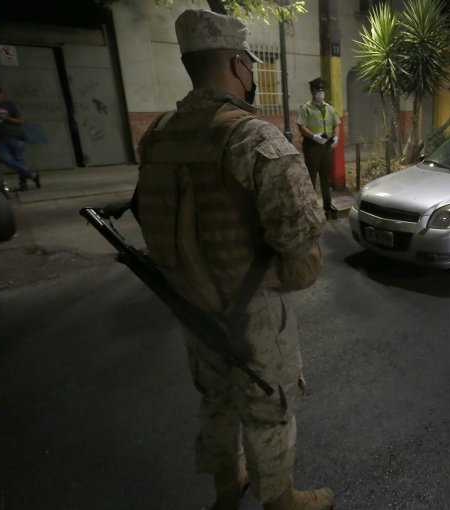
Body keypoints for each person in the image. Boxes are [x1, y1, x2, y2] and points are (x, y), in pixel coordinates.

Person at [132, 9, 331, 510]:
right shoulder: (254, 138)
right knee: (269, 403)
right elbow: (301, 238)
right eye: (250, 64)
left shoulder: (158, 135)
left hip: (191, 305)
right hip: (252, 307)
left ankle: (227, 486)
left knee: (216, 399)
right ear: (240, 64)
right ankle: (280, 498)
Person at [0, 81, 40, 191]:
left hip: (16, 136)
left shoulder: (9, 104)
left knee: (19, 160)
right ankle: (32, 175)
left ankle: (23, 184)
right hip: (1, 139)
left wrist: (6, 119)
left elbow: (20, 121)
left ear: (1, 94)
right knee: (5, 159)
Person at [296, 77, 340, 219]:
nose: (321, 92)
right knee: (311, 178)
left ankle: (327, 205)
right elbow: (300, 126)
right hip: (312, 147)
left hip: (326, 147)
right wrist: (314, 137)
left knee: (325, 178)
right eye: (318, 90)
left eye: (322, 90)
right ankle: (310, 208)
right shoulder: (306, 108)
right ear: (312, 91)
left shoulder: (330, 108)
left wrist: (336, 137)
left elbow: (336, 124)